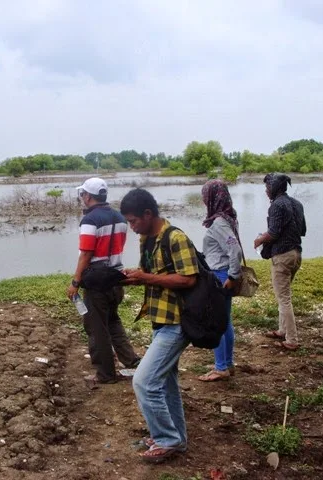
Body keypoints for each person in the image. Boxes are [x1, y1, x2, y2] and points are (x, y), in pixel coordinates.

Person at [120, 188, 198, 463]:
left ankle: (167, 440)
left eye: (133, 221)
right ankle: (177, 438)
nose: (132, 227)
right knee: (165, 383)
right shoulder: (146, 239)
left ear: (148, 214)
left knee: (143, 381)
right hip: (160, 319)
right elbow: (150, 275)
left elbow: (189, 279)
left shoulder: (175, 238)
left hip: (178, 321)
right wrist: (134, 276)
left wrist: (147, 278)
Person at [66, 177, 140, 388]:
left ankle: (105, 374)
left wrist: (75, 281)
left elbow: (86, 253)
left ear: (88, 196)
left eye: (82, 194)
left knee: (96, 328)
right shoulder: (120, 217)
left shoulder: (90, 220)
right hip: (116, 278)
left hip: (97, 282)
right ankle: (132, 361)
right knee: (113, 322)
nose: (82, 197)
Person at [254, 173, 306, 351]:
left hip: (282, 257)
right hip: (296, 254)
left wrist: (260, 239)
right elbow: (302, 230)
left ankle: (291, 339)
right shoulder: (297, 204)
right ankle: (282, 330)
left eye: (267, 187)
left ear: (274, 188)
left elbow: (274, 233)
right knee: (284, 294)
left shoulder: (277, 205)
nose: (266, 191)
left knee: (283, 298)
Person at [197, 180, 242, 382]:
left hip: (220, 276)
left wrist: (233, 276)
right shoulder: (228, 218)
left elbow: (234, 249)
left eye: (205, 195)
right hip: (223, 273)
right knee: (225, 322)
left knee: (216, 323)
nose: (203, 199)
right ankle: (227, 363)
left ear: (213, 197)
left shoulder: (219, 223)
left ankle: (220, 367)